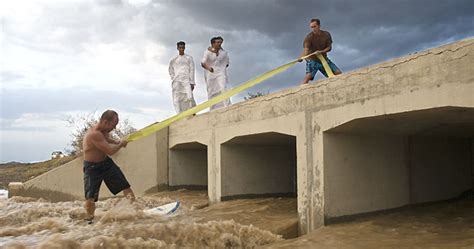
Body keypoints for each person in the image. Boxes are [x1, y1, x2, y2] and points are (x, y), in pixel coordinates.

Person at [82, 110, 135, 224]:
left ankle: (135, 211)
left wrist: (117, 141)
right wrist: (120, 145)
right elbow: (110, 151)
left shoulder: (104, 131)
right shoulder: (94, 134)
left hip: (106, 163)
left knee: (125, 186)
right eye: (113, 125)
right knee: (90, 198)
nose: (114, 128)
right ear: (106, 122)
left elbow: (107, 139)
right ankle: (89, 219)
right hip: (92, 168)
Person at [299, 18, 342, 84]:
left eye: (314, 27)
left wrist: (321, 51)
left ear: (319, 26)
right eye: (311, 27)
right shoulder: (309, 37)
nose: (313, 29)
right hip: (312, 60)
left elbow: (329, 48)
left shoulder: (326, 34)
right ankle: (301, 90)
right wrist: (301, 57)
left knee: (338, 73)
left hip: (323, 59)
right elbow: (306, 49)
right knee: (308, 77)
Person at [201, 36, 231, 111]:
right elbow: (203, 63)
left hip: (220, 73)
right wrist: (209, 68)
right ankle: (212, 109)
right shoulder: (207, 52)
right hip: (210, 75)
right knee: (212, 91)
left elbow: (227, 63)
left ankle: (227, 105)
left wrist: (221, 67)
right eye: (217, 42)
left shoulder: (224, 53)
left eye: (220, 42)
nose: (219, 44)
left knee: (223, 87)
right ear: (213, 43)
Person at [168, 41, 197, 113]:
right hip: (177, 80)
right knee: (177, 97)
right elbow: (170, 69)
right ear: (177, 48)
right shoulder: (174, 59)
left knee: (189, 96)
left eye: (183, 48)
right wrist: (173, 77)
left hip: (186, 79)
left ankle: (191, 111)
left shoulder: (189, 58)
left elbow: (192, 69)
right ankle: (178, 113)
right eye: (180, 47)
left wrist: (192, 82)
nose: (181, 49)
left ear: (184, 48)